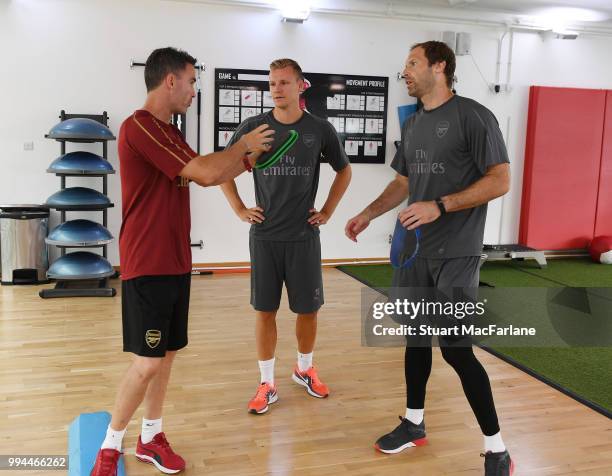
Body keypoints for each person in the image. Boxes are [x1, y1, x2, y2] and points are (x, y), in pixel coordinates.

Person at [90, 47, 274, 476]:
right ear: (169, 80)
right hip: (148, 262)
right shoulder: (141, 126)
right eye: (191, 81)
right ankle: (110, 446)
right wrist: (244, 145)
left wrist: (246, 160)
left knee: (167, 355)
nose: (194, 91)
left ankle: (151, 437)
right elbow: (207, 173)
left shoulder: (170, 132)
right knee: (148, 360)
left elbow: (208, 169)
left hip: (174, 261)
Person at [345, 41, 514, 476]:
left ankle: (497, 449)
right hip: (415, 252)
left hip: (456, 253)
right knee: (416, 340)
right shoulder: (416, 122)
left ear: (439, 67)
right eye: (406, 64)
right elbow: (403, 182)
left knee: (456, 350)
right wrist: (368, 212)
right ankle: (414, 423)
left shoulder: (474, 116)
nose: (406, 70)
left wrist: (442, 205)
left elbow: (500, 180)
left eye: (413, 63)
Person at [221, 58, 352, 415]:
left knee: (308, 309)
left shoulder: (320, 129)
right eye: (272, 83)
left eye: (283, 83)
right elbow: (224, 167)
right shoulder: (254, 126)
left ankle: (304, 369)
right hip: (264, 236)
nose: (276, 89)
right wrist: (238, 208)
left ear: (299, 86)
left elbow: (344, 171)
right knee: (265, 310)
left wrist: (327, 211)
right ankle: (266, 382)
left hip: (304, 236)